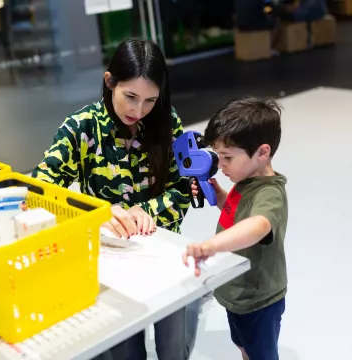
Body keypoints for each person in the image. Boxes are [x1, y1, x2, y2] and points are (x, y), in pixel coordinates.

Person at [32, 38, 197, 360]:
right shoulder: (81, 128)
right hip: (111, 260)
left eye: (150, 100)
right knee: (127, 351)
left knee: (173, 349)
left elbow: (182, 187)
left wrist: (145, 211)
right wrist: (96, 212)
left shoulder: (167, 121)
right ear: (110, 83)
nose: (138, 110)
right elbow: (40, 190)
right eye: (130, 97)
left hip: (163, 251)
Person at [184, 96, 288, 360]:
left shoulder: (270, 194)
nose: (220, 165)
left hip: (258, 300)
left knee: (260, 354)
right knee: (244, 347)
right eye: (219, 156)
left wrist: (211, 245)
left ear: (262, 152)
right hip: (238, 293)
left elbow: (257, 225)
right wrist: (220, 197)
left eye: (227, 157)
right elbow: (240, 216)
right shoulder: (246, 179)